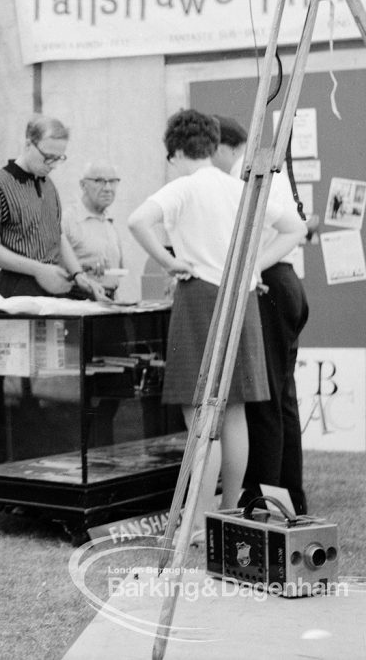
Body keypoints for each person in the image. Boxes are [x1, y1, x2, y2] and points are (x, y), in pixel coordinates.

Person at [128, 109, 304, 533]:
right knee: (236, 411)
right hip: (239, 298)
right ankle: (225, 512)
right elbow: (294, 228)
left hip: (201, 298)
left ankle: (196, 519)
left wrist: (170, 262)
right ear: (211, 145)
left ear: (174, 151)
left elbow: (137, 221)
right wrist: (251, 267)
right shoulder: (238, 187)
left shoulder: (182, 187)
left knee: (200, 419)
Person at [212, 115, 311, 514]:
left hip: (271, 282)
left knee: (264, 401)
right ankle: (288, 498)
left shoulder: (252, 174)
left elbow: (294, 229)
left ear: (223, 146)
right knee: (281, 400)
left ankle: (263, 498)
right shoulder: (265, 172)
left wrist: (250, 272)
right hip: (283, 283)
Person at [0, 114, 108, 302]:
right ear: (28, 144)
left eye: (59, 158)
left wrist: (78, 275)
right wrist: (38, 269)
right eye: (48, 157)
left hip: (53, 283)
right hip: (17, 287)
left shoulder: (49, 185)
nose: (53, 165)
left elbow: (59, 236)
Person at [62, 159, 125, 299]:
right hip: (78, 303)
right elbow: (52, 267)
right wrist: (82, 270)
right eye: (99, 181)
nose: (108, 188)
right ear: (83, 185)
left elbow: (117, 272)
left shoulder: (109, 223)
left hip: (108, 302)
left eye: (113, 181)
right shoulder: (68, 220)